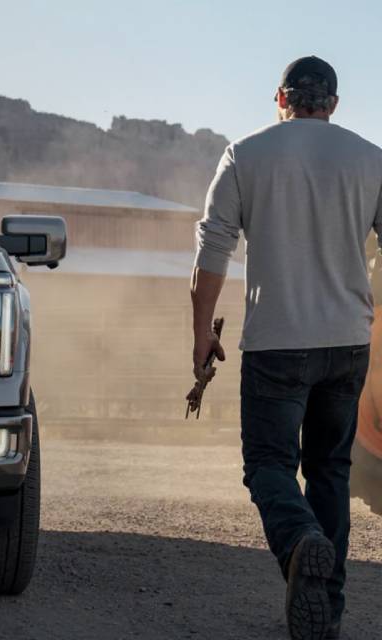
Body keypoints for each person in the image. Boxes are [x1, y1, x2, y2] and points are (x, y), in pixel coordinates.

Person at [190, 56, 382, 640]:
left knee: (269, 466)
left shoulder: (245, 154)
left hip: (276, 343)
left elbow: (211, 253)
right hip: (349, 342)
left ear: (281, 98)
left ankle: (301, 542)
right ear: (334, 104)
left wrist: (201, 338)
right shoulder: (371, 159)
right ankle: (328, 611)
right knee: (331, 470)